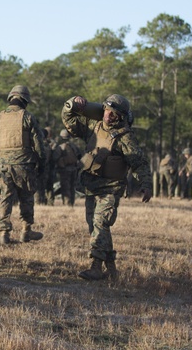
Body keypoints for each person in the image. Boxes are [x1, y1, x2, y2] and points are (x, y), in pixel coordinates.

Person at [62, 94, 152, 282]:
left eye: (113, 114)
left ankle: (96, 267)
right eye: (106, 111)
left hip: (111, 188)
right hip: (91, 185)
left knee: (101, 223)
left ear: (120, 117)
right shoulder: (93, 127)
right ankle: (111, 269)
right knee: (95, 227)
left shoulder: (125, 138)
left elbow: (139, 163)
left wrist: (146, 184)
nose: (108, 116)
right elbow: (69, 121)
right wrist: (71, 104)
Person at [0, 85, 47, 244]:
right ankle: (26, 231)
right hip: (25, 164)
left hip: (3, 166)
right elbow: (39, 145)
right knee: (26, 198)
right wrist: (41, 164)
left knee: (5, 199)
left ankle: (3, 234)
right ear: (25, 100)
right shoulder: (28, 117)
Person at [53, 128, 83, 206]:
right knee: (72, 187)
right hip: (74, 169)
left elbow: (55, 157)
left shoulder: (60, 147)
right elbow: (80, 156)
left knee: (65, 187)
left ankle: (67, 204)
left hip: (64, 170)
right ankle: (71, 203)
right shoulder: (73, 146)